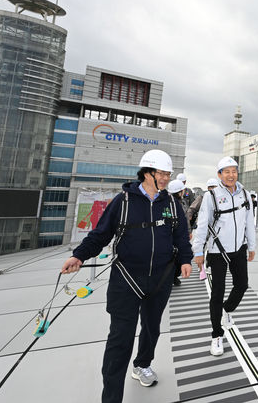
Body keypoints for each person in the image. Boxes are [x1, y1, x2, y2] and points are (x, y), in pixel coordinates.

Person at [61, 149, 192, 403]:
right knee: (119, 340)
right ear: (146, 173)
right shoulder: (123, 201)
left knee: (152, 328)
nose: (165, 178)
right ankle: (111, 398)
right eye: (161, 173)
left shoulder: (172, 204)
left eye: (168, 173)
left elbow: (180, 236)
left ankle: (142, 364)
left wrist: (185, 260)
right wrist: (79, 256)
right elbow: (100, 234)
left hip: (160, 279)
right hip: (126, 279)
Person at [192, 157, 256, 357]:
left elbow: (249, 222)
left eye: (234, 171)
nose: (231, 175)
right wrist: (198, 251)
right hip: (217, 250)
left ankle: (227, 310)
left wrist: (251, 246)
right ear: (219, 174)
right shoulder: (211, 197)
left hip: (239, 248)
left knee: (242, 285)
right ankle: (216, 335)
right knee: (217, 293)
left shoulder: (245, 194)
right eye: (226, 171)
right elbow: (202, 224)